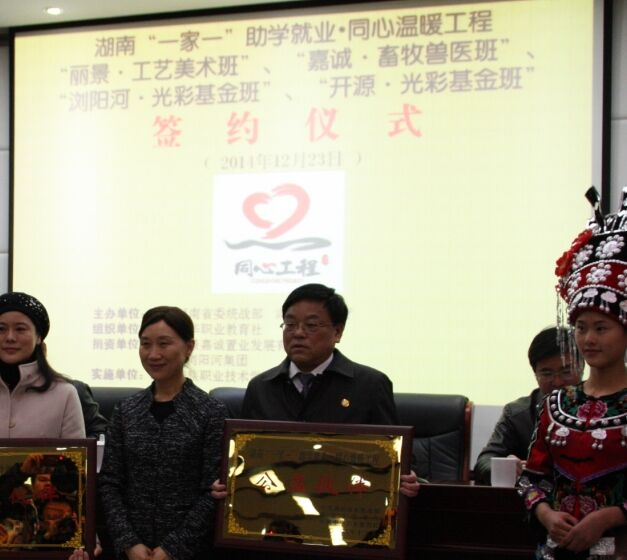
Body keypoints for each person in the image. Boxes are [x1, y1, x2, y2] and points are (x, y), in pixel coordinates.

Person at [213, 283, 419, 498]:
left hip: (344, 504)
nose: (298, 333)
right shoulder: (261, 387)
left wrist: (406, 478)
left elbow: (396, 456)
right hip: (276, 506)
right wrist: (229, 482)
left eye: (311, 325)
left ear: (337, 331)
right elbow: (245, 457)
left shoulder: (370, 385)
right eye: (290, 324)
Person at [518, 188, 627, 559]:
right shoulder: (558, 402)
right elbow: (531, 479)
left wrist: (610, 516)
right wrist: (546, 514)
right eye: (581, 328)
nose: (589, 339)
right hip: (556, 549)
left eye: (601, 328)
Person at [98, 306, 227, 560]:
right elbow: (110, 483)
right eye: (145, 344)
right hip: (130, 552)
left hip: (191, 552)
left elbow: (213, 491)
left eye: (164, 344)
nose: (153, 354)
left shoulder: (211, 411)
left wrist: (173, 548)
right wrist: (129, 542)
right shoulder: (126, 410)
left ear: (189, 347)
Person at [474, 326, 581, 485]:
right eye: (547, 373)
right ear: (535, 374)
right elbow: (485, 460)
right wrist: (505, 466)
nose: (558, 382)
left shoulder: (604, 406)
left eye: (566, 372)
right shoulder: (517, 414)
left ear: (582, 367)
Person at [0, 291, 85, 438]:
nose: (10, 337)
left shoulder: (64, 394)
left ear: (39, 337)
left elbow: (75, 451)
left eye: (20, 329)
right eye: (1, 329)